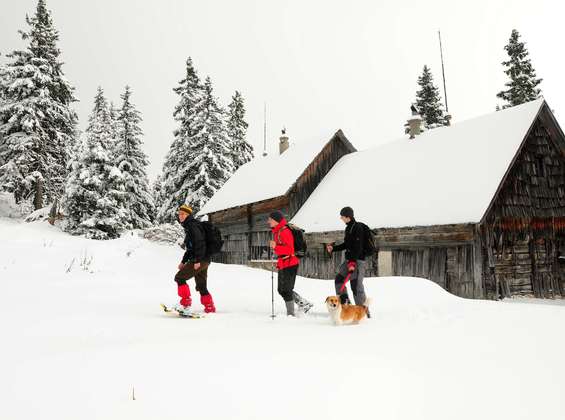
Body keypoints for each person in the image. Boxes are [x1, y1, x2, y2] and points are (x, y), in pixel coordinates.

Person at [173, 204, 216, 315]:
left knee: (179, 278)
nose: (180, 216)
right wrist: (183, 262)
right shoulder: (189, 226)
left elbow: (199, 243)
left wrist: (197, 260)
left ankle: (185, 304)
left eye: (182, 214)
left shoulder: (192, 226)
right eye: (179, 214)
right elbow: (189, 249)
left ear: (188, 215)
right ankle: (209, 307)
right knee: (201, 285)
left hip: (200, 259)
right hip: (204, 260)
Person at [268, 210, 312, 316]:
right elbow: (282, 250)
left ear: (276, 220)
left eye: (270, 219)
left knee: (286, 290)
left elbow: (290, 250)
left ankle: (291, 314)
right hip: (284, 263)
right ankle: (303, 303)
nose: (268, 221)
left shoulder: (284, 231)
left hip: (290, 263)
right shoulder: (277, 231)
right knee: (281, 289)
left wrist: (275, 247)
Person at [326, 206, 368, 308]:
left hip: (357, 261)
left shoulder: (357, 228)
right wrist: (333, 248)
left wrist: (353, 263)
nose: (341, 218)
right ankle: (346, 306)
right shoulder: (348, 227)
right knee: (339, 280)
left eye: (342, 216)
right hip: (349, 260)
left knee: (356, 286)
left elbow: (358, 248)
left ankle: (363, 311)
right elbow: (347, 244)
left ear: (348, 217)